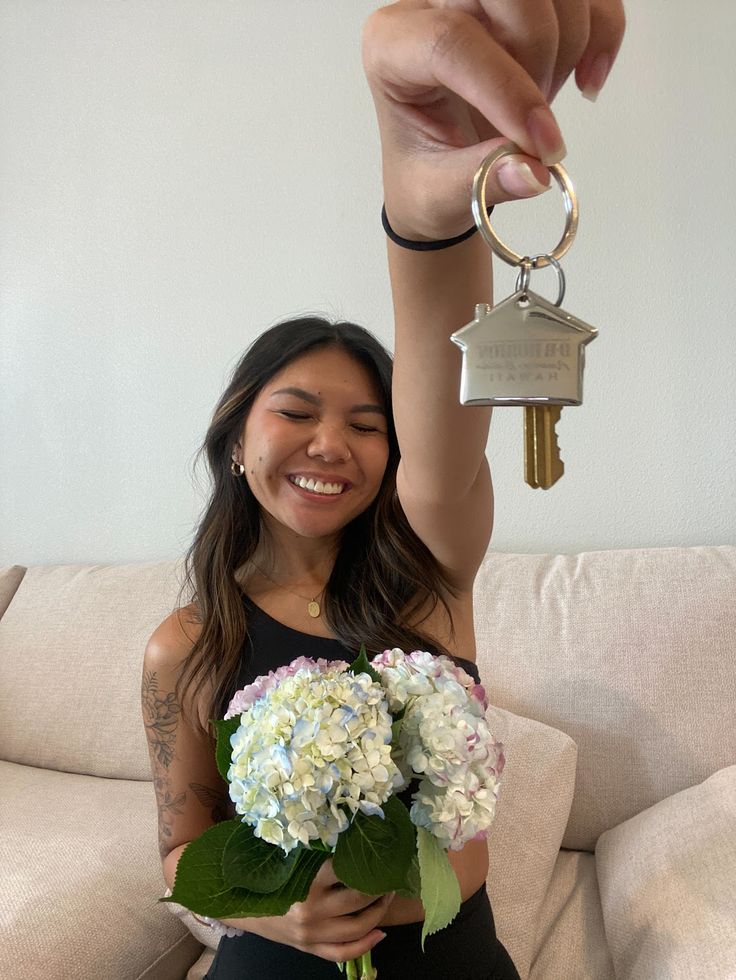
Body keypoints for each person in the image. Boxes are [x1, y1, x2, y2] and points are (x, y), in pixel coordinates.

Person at [141, 2, 625, 978]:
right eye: (295, 410)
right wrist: (280, 911)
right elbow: (182, 856)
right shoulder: (186, 645)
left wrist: (426, 215)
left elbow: (441, 411)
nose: (331, 442)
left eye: (368, 424)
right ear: (238, 437)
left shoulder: (427, 568)